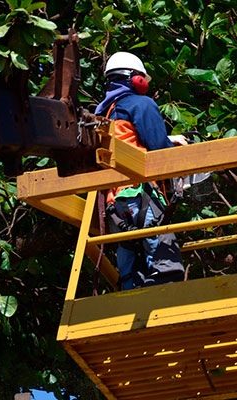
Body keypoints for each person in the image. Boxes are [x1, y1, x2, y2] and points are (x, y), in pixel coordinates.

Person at [95, 51, 187, 290]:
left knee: (131, 280)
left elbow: (129, 143)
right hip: (141, 196)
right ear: (136, 79)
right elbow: (158, 150)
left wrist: (168, 138)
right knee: (166, 271)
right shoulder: (141, 104)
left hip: (115, 206)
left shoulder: (103, 115)